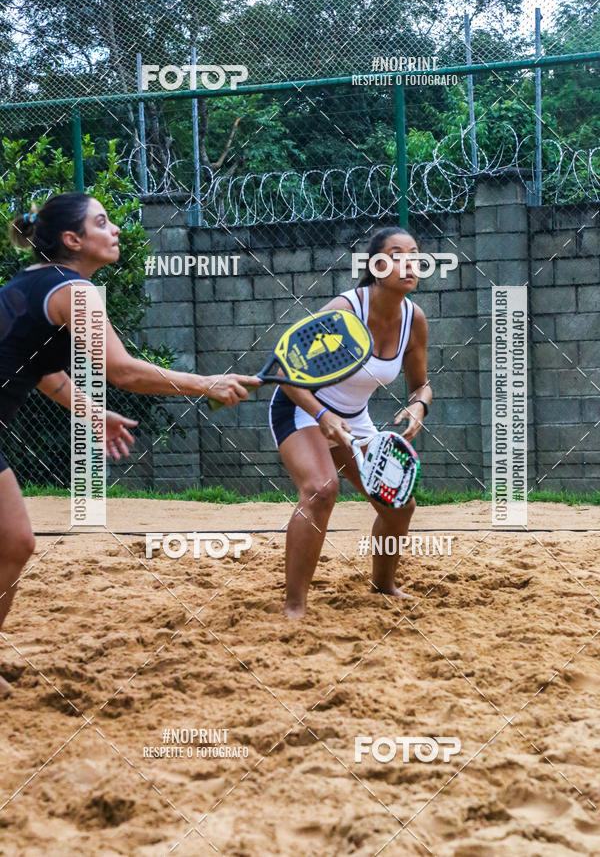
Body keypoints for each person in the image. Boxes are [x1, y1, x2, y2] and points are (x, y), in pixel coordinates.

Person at [0, 192, 260, 695]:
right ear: (73, 240)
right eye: (102, 221)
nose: (115, 228)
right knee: (14, 542)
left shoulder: (34, 284)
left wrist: (93, 413)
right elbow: (122, 371)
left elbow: (45, 372)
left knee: (14, 542)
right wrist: (205, 382)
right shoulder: (75, 292)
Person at [269, 227, 432, 618]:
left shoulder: (414, 320)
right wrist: (324, 418)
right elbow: (282, 369)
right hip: (303, 406)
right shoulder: (345, 310)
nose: (409, 262)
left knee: (399, 506)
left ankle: (384, 585)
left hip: (353, 419)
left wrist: (418, 407)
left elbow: (421, 385)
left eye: (414, 254)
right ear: (376, 265)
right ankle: (295, 607)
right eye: (396, 254)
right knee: (321, 489)